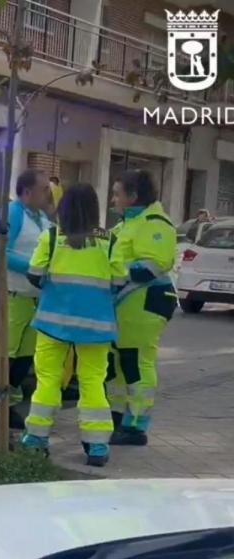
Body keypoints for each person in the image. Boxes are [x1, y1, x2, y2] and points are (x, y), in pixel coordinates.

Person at [22, 183, 126, 467]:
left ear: (64, 207)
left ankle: (36, 438)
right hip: (96, 326)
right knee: (93, 382)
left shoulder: (51, 237)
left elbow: (34, 274)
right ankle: (97, 446)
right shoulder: (110, 241)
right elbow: (119, 280)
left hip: (52, 323)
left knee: (48, 379)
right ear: (94, 208)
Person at [0, 169, 52, 431]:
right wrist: (34, 268)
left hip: (32, 298)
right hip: (7, 295)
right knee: (2, 357)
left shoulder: (42, 217)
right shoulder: (13, 214)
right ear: (27, 191)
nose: (49, 193)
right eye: (44, 188)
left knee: (23, 358)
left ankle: (8, 405)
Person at [106, 170, 178, 446]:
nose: (113, 200)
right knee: (119, 362)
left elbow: (152, 266)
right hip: (128, 305)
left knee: (136, 362)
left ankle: (135, 426)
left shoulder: (155, 223)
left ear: (133, 196)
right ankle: (117, 417)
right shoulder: (128, 223)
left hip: (147, 302)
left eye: (117, 194)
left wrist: (113, 271)